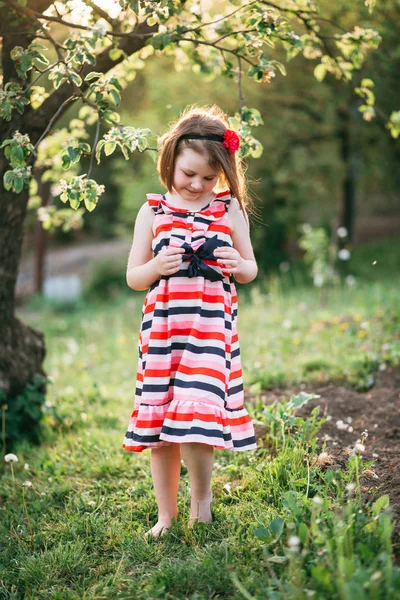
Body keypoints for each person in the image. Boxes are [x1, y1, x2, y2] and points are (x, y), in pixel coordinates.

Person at [122, 104, 258, 539]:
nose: (197, 184)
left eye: (208, 177)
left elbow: (249, 268)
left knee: (198, 418)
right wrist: (158, 265)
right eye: (188, 174)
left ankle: (202, 502)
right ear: (170, 162)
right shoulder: (154, 211)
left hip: (208, 330)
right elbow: (133, 277)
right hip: (164, 332)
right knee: (162, 428)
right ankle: (166, 515)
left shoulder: (229, 210)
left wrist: (237, 261)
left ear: (222, 174)